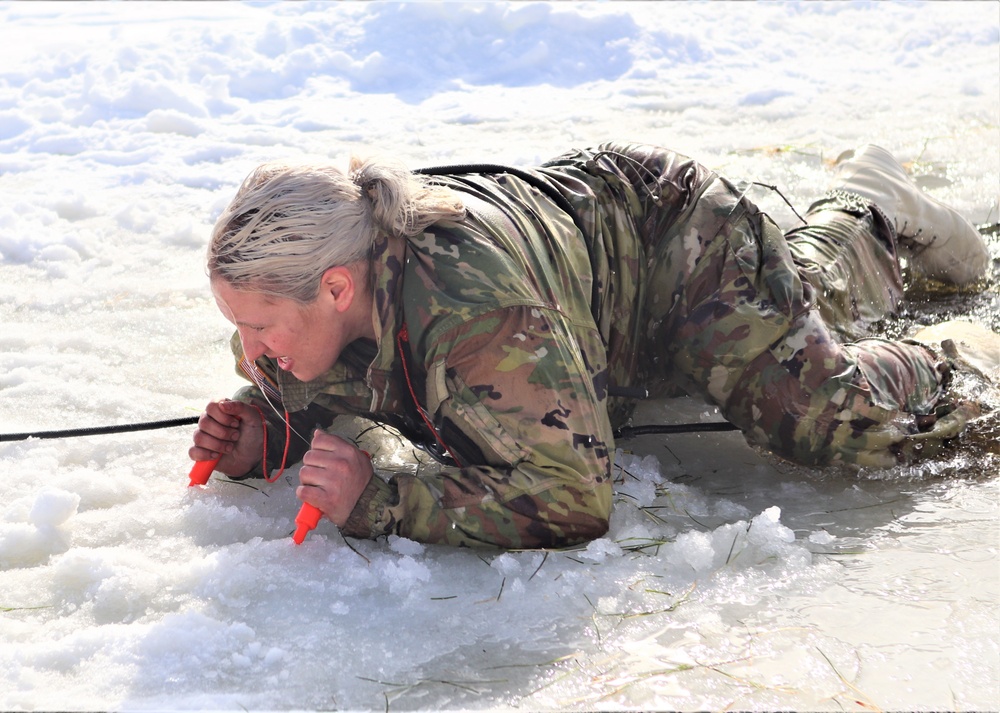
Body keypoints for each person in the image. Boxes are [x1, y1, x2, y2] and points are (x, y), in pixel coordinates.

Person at [190, 141, 991, 549]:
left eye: (260, 327)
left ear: (335, 287)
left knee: (817, 413)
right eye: (238, 327)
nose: (250, 349)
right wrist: (273, 429)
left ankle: (960, 349)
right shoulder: (321, 306)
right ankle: (864, 210)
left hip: (676, 242)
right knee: (798, 306)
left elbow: (573, 496)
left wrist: (379, 498)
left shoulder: (477, 317)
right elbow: (347, 377)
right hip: (593, 285)